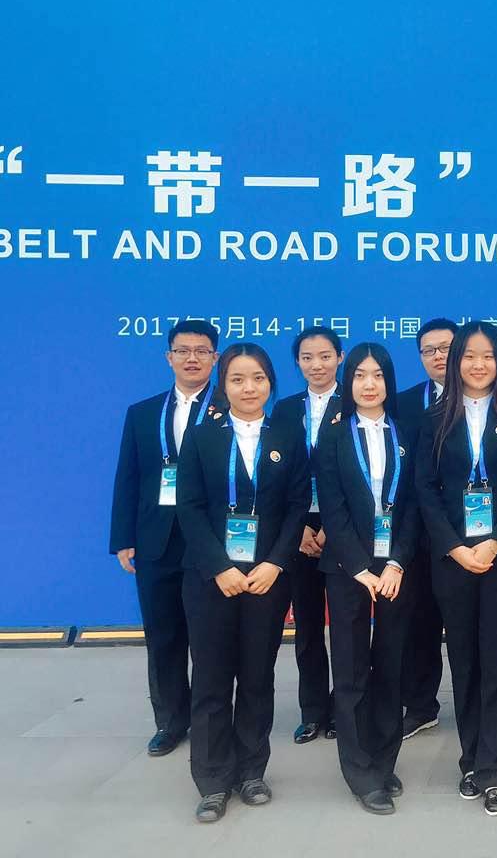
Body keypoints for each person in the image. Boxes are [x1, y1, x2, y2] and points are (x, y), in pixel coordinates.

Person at [176, 343, 308, 822]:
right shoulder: (201, 436)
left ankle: (252, 770)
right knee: (211, 679)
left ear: (270, 383)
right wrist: (219, 567)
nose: (248, 388)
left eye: (257, 379)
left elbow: (297, 506)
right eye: (237, 379)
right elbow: (189, 507)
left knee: (256, 677)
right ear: (223, 384)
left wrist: (275, 563)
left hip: (267, 580)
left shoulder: (288, 434)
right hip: (211, 579)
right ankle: (212, 780)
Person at [415, 321, 497, 817]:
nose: (478, 364)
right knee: (464, 661)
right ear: (455, 361)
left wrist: (495, 541)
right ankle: (470, 759)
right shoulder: (434, 418)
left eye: (487, 355)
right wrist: (453, 545)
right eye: (469, 355)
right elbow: (424, 489)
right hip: (452, 559)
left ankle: (495, 770)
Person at [315, 342, 420, 815]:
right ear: (348, 381)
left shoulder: (406, 431)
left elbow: (414, 505)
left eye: (377, 375)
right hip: (347, 570)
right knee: (352, 670)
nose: (369, 384)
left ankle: (383, 759)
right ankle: (360, 771)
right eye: (359, 375)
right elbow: (333, 510)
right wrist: (359, 568)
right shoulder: (333, 436)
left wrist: (396, 563)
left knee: (391, 668)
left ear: (388, 380)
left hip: (396, 569)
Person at [109, 319, 220, 758]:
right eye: (183, 350)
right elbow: (128, 477)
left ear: (215, 357)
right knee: (163, 635)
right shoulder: (142, 413)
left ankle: (212, 720)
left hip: (211, 543)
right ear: (169, 357)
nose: (192, 358)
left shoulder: (231, 408)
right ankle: (170, 721)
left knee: (209, 638)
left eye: (201, 350)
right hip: (157, 541)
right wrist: (123, 537)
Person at [269, 325, 344, 744]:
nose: (317, 365)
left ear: (339, 358)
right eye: (307, 358)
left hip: (344, 527)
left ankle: (345, 708)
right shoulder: (284, 409)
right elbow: (275, 476)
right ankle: (313, 710)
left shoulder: (355, 402)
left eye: (325, 356)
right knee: (308, 625)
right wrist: (297, 527)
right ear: (298, 363)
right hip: (297, 526)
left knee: (348, 626)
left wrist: (334, 525)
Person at [396, 317, 456, 740]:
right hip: (415, 534)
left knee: (472, 627)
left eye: (447, 348)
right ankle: (420, 705)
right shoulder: (401, 404)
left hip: (469, 536)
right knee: (418, 623)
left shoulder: (492, 400)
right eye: (429, 350)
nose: (439, 356)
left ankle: (480, 706)